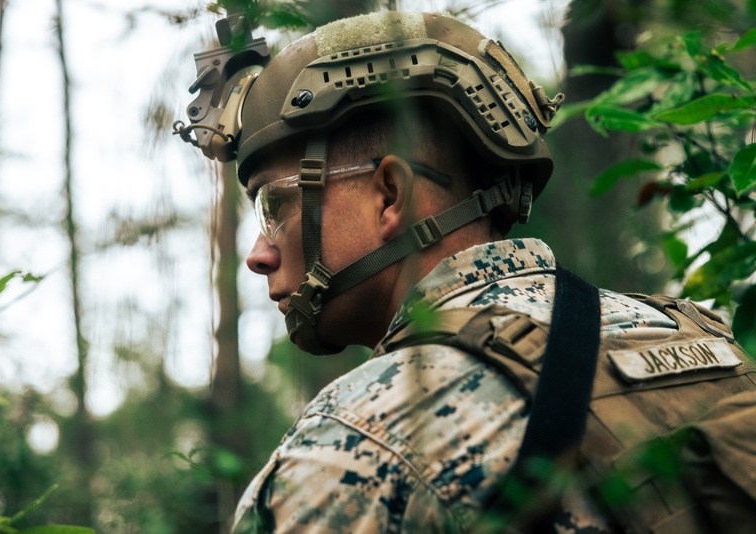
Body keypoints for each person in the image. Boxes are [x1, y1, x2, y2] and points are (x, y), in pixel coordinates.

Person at [175, 10, 756, 533]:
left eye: (273, 205)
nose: (258, 252)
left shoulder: (362, 439)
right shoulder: (699, 336)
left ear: (390, 196)